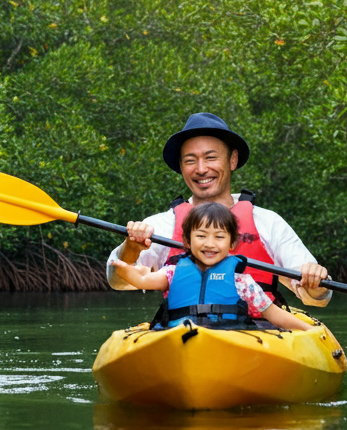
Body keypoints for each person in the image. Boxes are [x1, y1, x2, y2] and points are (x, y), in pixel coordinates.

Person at [107, 112, 331, 306]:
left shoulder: (267, 222)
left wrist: (315, 280)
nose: (201, 169)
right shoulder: (162, 225)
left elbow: (319, 296)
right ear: (181, 167)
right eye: (190, 160)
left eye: (211, 157)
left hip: (259, 335)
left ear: (232, 160)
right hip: (185, 332)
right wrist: (131, 248)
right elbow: (117, 280)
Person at [110, 202, 311, 332]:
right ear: (187, 241)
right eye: (201, 236)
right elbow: (144, 279)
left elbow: (273, 314)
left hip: (230, 341)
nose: (210, 243)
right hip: (181, 337)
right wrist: (122, 268)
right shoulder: (172, 272)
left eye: (219, 237)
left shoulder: (242, 282)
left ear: (232, 244)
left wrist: (309, 331)